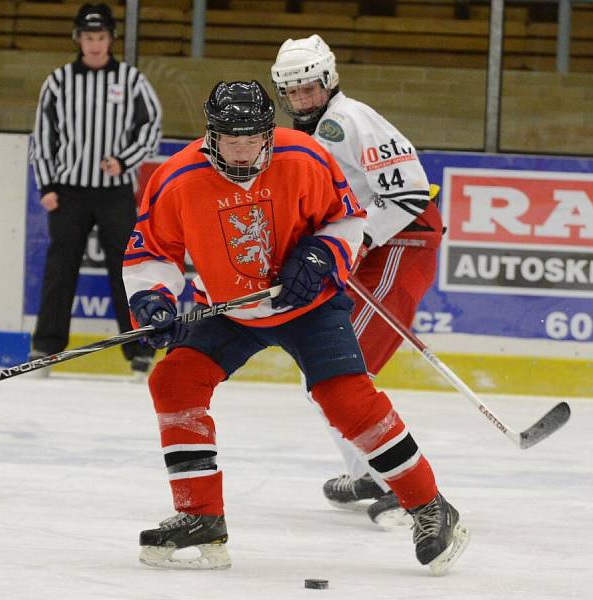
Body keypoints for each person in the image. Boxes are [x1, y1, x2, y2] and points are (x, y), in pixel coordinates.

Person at [122, 80, 468, 574]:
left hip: (310, 305)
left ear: (269, 131)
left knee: (346, 399)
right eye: (230, 138)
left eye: (251, 138)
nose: (241, 149)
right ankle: (200, 516)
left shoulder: (305, 157)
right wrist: (153, 301)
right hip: (231, 308)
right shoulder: (178, 178)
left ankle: (430, 505)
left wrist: (321, 255)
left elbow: (347, 221)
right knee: (174, 381)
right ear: (210, 134)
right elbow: (151, 251)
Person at [271, 35, 445, 526]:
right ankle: (371, 472)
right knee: (325, 372)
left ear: (328, 81)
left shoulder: (350, 120)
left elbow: (409, 193)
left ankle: (400, 484)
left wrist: (356, 241)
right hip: (368, 251)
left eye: (310, 88)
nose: (303, 99)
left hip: (401, 245)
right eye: (294, 92)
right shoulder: (305, 137)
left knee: (345, 372)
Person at [29, 3, 162, 379]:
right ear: (78, 39)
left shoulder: (131, 80)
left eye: (101, 37)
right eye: (88, 37)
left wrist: (124, 160)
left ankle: (139, 349)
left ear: (111, 39)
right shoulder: (58, 81)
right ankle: (46, 348)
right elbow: (43, 135)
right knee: (60, 270)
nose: (95, 44)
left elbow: (151, 126)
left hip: (115, 192)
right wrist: (48, 185)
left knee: (127, 270)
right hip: (69, 192)